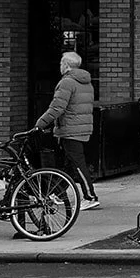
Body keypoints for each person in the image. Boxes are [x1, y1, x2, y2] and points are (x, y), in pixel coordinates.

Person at [35, 51, 100, 209]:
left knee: (77, 163)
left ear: (66, 65)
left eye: (61, 63)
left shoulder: (67, 82)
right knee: (69, 164)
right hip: (82, 126)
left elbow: (57, 107)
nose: (60, 66)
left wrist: (40, 124)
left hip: (70, 128)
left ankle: (90, 196)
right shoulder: (86, 81)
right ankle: (57, 193)